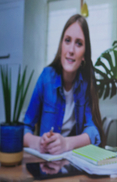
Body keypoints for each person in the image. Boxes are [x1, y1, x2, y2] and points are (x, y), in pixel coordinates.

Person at [22, 14, 105, 154]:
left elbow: (93, 131)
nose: (71, 50)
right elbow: (24, 128)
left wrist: (66, 143)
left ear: (84, 55)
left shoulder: (87, 82)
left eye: (79, 43)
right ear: (61, 46)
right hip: (45, 160)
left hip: (72, 161)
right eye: (67, 40)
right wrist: (38, 142)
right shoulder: (46, 77)